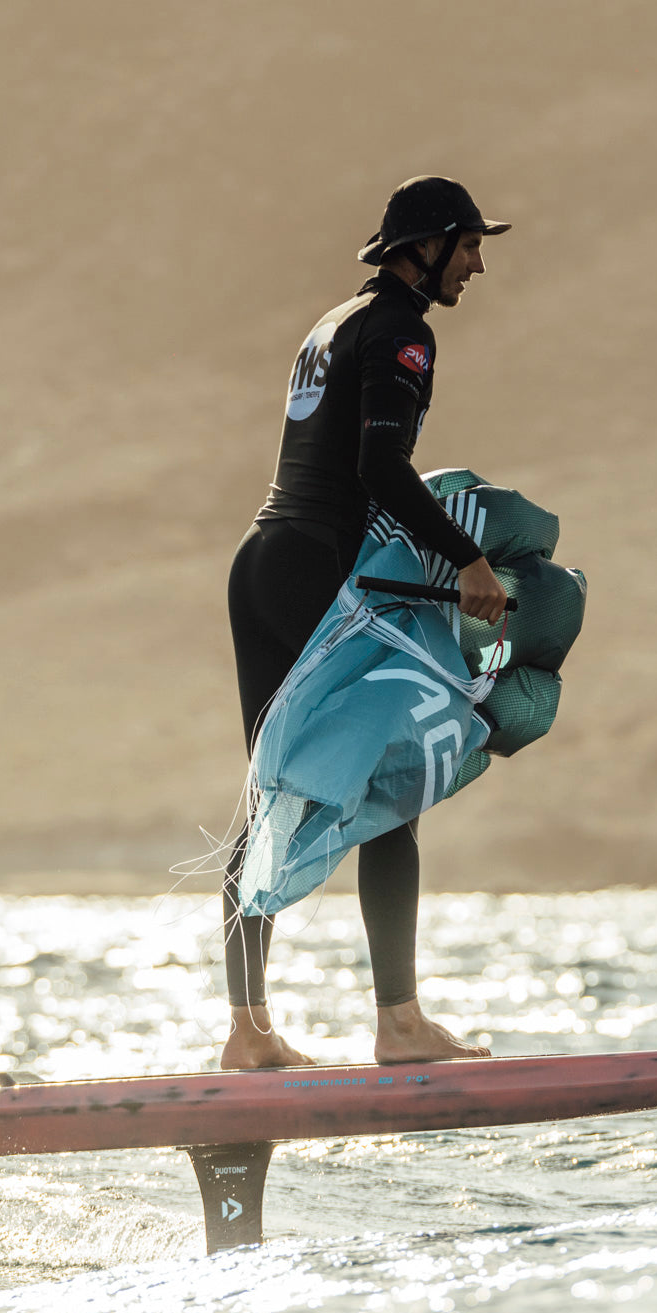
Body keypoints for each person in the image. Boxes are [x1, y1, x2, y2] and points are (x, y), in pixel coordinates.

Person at [221, 175, 511, 1071]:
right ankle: (400, 1025)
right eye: (468, 244)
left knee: (272, 798)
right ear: (425, 246)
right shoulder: (402, 332)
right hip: (320, 574)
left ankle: (250, 1035)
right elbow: (382, 468)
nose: (477, 262)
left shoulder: (334, 323)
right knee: (391, 787)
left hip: (262, 562)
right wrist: (467, 559)